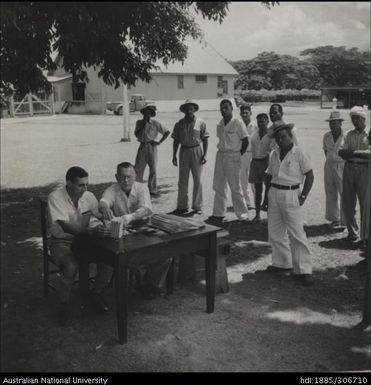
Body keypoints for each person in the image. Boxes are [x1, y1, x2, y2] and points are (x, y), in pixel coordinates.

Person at [47, 166, 112, 326]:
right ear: (69, 183)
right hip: (61, 241)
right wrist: (92, 230)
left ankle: (95, 295)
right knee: (70, 266)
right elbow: (68, 227)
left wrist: (105, 214)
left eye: (87, 184)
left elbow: (99, 214)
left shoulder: (88, 196)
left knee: (109, 259)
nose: (85, 188)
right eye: (81, 185)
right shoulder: (55, 197)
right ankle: (64, 305)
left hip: (85, 241)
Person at [99, 162, 172, 299]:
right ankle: (141, 284)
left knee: (166, 254)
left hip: (144, 228)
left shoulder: (141, 188)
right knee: (134, 258)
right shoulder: (112, 189)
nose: (125, 180)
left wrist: (129, 217)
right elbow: (104, 200)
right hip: (124, 233)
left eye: (129, 176)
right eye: (122, 177)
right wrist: (104, 207)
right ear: (116, 177)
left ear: (135, 176)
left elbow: (146, 209)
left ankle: (150, 284)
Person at [265, 122, 314, 286]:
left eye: (283, 137)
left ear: (290, 136)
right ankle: (281, 263)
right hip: (274, 193)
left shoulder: (299, 153)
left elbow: (310, 175)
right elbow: (269, 175)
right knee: (275, 231)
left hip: (291, 193)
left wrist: (304, 196)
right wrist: (266, 197)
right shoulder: (273, 153)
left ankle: (303, 270)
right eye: (278, 138)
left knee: (297, 233)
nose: (280, 140)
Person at [209, 99, 250, 222]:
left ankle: (243, 214)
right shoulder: (220, 124)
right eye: (221, 108)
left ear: (232, 108)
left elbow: (245, 141)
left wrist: (238, 154)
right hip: (221, 155)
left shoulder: (237, 122)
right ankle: (218, 213)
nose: (223, 110)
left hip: (233, 156)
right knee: (219, 185)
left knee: (235, 187)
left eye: (226, 107)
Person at [338, 106, 370, 243]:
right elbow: (341, 152)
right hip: (349, 168)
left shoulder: (369, 133)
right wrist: (359, 153)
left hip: (365, 169)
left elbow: (369, 154)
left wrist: (352, 152)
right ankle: (353, 232)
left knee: (365, 202)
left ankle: (366, 234)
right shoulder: (348, 134)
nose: (354, 121)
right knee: (348, 202)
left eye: (357, 118)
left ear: (364, 119)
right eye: (352, 118)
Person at [171, 100, 209, 215]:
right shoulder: (179, 123)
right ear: (183, 111)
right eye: (186, 109)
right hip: (184, 151)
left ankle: (197, 206)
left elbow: (205, 139)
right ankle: (182, 206)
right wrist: (174, 155)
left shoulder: (200, 122)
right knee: (183, 180)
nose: (189, 111)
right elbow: (176, 140)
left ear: (194, 110)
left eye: (191, 109)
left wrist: (205, 155)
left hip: (196, 150)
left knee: (198, 179)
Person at [134, 102, 170, 196]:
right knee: (138, 168)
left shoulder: (155, 123)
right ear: (143, 113)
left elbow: (166, 132)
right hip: (142, 146)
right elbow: (137, 134)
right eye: (146, 112)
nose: (148, 115)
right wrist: (143, 124)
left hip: (151, 146)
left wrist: (159, 141)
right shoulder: (139, 122)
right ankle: (138, 189)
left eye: (150, 113)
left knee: (153, 168)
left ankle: (152, 189)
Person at [322, 111, 346, 229]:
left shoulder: (346, 136)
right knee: (330, 191)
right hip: (329, 165)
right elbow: (325, 150)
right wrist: (330, 161)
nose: (332, 125)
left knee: (344, 192)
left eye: (335, 122)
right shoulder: (326, 136)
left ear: (340, 123)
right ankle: (334, 218)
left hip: (342, 165)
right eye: (331, 123)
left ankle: (345, 221)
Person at [249, 113, 271, 223]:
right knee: (257, 191)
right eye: (259, 122)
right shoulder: (254, 134)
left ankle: (270, 216)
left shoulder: (270, 135)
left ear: (267, 122)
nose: (260, 124)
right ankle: (257, 215)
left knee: (269, 190)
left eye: (263, 121)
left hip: (266, 163)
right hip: (255, 162)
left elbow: (273, 151)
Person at [239, 103, 257, 209]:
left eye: (246, 112)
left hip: (252, 154)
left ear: (250, 113)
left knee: (254, 179)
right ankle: (247, 202)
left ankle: (256, 201)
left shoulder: (256, 125)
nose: (244, 115)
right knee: (243, 179)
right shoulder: (239, 125)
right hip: (241, 154)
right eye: (242, 113)